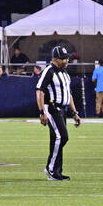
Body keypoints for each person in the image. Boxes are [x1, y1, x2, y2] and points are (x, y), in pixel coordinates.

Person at [37, 44, 80, 181]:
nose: (66, 61)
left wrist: (74, 112)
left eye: (67, 58)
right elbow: (39, 90)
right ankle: (51, 169)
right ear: (55, 59)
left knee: (57, 139)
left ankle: (57, 171)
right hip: (52, 107)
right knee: (62, 137)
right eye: (63, 58)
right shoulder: (49, 71)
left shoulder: (64, 73)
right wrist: (41, 112)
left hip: (62, 109)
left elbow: (69, 94)